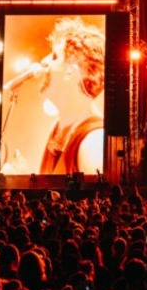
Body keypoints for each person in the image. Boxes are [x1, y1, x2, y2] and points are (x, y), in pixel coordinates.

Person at [38, 17, 105, 175]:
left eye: (54, 56)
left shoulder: (93, 142)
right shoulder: (59, 127)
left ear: (70, 71)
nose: (44, 61)